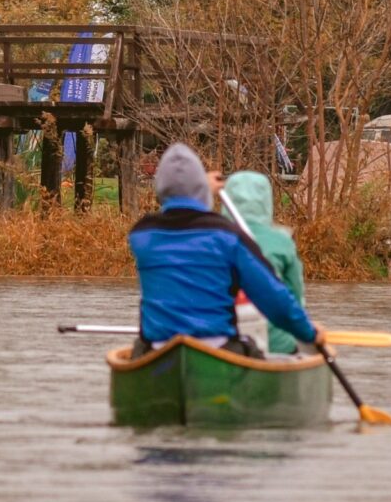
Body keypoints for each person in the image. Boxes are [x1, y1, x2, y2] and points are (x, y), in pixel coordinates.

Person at [129, 145, 322, 358]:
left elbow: (178, 211)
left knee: (139, 347)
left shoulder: (141, 236)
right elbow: (273, 298)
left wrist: (200, 189)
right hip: (218, 349)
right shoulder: (227, 236)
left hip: (159, 351)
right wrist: (309, 334)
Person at [221, 170, 307, 356]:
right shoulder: (282, 242)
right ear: (266, 202)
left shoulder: (211, 239)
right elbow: (296, 299)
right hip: (276, 346)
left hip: (223, 345)